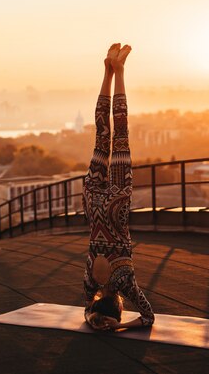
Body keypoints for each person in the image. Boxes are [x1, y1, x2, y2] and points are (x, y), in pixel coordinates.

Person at [82, 43, 154, 331]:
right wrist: (97, 320)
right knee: (101, 135)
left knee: (120, 134)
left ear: (119, 305)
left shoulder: (123, 282)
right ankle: (107, 71)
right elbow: (88, 312)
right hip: (93, 201)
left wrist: (119, 327)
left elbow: (148, 318)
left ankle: (119, 70)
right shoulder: (90, 282)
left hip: (117, 204)